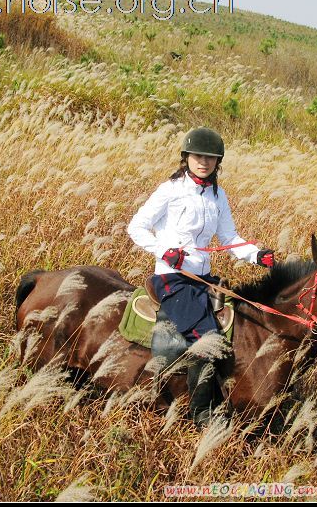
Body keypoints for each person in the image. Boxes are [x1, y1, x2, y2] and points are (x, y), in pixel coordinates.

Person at [127, 127, 275, 427]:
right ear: (186, 157)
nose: (203, 162)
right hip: (172, 278)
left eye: (210, 158)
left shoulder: (218, 196)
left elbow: (230, 237)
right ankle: (202, 415)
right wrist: (165, 251)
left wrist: (256, 255)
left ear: (217, 162)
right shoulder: (170, 190)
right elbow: (136, 227)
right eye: (198, 156)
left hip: (203, 279)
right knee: (209, 341)